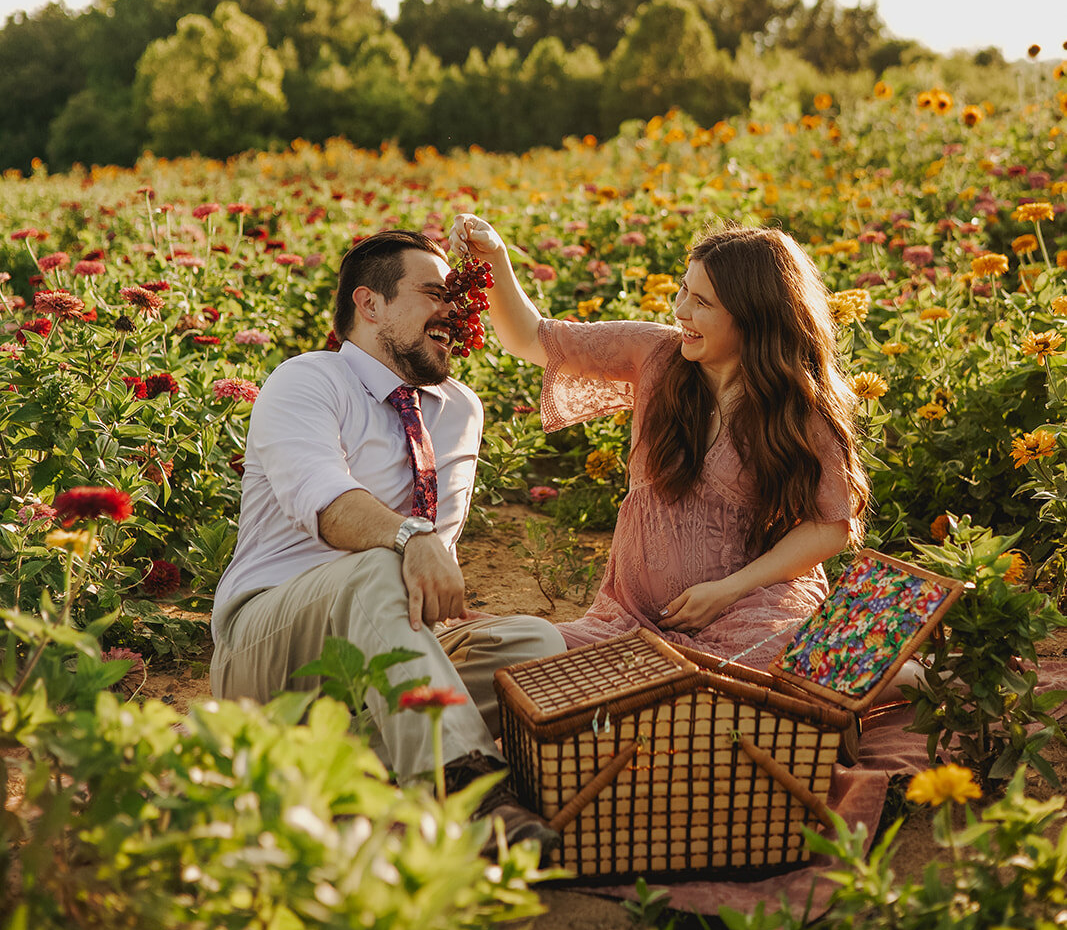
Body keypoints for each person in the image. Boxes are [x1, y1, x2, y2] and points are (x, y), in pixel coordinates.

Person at [210, 230, 567, 858]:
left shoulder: (457, 409)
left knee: (537, 645)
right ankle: (470, 796)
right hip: (272, 644)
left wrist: (427, 571)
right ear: (369, 304)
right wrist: (410, 537)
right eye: (433, 293)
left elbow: (438, 552)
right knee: (379, 563)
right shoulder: (306, 381)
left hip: (382, 640)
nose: (453, 310)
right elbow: (326, 505)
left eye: (454, 295)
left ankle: (323, 763)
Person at [449, 215, 868, 669]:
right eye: (683, 289)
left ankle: (881, 674)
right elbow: (532, 338)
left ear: (753, 316)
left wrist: (729, 590)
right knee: (532, 659)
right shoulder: (656, 355)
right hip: (632, 619)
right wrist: (496, 258)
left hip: (751, 608)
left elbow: (830, 525)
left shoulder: (797, 404)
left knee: (762, 672)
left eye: (702, 302)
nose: (680, 310)